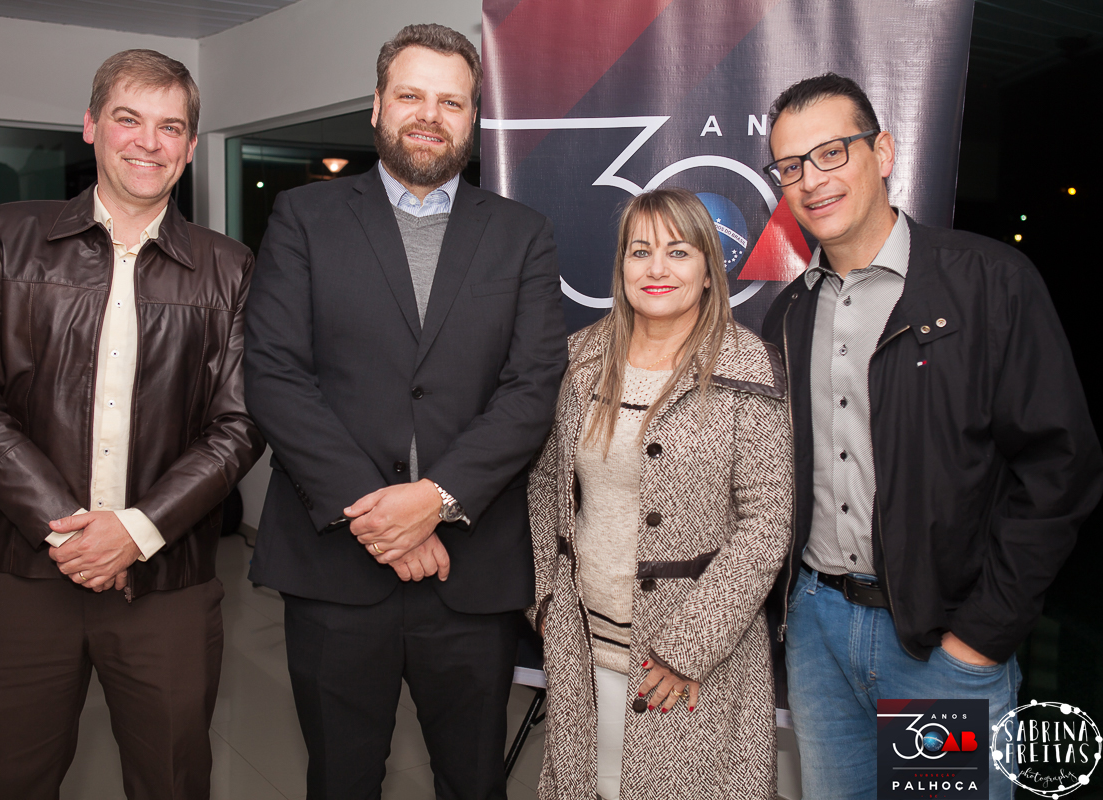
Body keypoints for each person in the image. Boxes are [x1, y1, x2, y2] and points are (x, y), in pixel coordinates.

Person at [244, 22, 566, 799]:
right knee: (342, 779)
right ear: (378, 107)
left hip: (472, 571)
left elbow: (531, 388)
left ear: (474, 117)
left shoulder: (521, 235)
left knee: (473, 780)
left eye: (451, 101)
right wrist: (380, 518)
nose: (430, 114)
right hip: (335, 568)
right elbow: (276, 375)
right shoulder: (303, 220)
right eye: (411, 95)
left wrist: (435, 499)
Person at [759, 73, 1103, 799]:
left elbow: (1059, 469)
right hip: (818, 634)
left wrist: (981, 635)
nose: (810, 181)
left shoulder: (989, 282)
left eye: (830, 153)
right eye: (791, 167)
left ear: (882, 151)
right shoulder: (787, 316)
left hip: (941, 635)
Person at [0, 49, 264, 799]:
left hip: (167, 583)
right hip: (21, 574)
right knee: (5, 779)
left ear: (187, 145)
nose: (149, 142)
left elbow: (240, 423)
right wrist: (68, 530)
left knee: (173, 781)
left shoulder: (229, 268)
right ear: (90, 126)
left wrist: (139, 528)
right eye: (128, 119)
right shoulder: (7, 235)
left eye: (171, 126)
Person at [528, 188, 792, 800]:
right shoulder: (580, 359)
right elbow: (546, 486)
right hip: (583, 643)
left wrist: (686, 649)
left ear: (708, 270)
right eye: (640, 251)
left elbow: (767, 523)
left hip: (693, 661)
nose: (656, 269)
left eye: (678, 252)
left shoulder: (748, 368)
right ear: (620, 266)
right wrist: (546, 597)